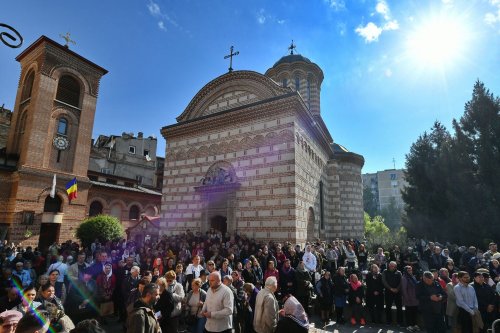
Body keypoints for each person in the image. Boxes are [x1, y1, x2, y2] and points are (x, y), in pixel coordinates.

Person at [382, 261, 403, 326]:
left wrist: (397, 289)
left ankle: (399, 322)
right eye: (391, 266)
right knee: (388, 307)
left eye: (394, 266)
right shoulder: (385, 271)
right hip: (388, 292)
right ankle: (389, 321)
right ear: (389, 265)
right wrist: (391, 288)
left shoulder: (399, 272)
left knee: (399, 308)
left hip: (397, 292)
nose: (393, 267)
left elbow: (401, 282)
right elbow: (384, 281)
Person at [400, 266, 419, 332]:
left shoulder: (413, 277)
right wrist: (407, 298)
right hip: (409, 299)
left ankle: (414, 324)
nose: (410, 271)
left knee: (414, 312)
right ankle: (409, 325)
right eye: (408, 270)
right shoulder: (404, 278)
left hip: (415, 299)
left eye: (411, 270)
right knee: (408, 313)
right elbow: (404, 289)